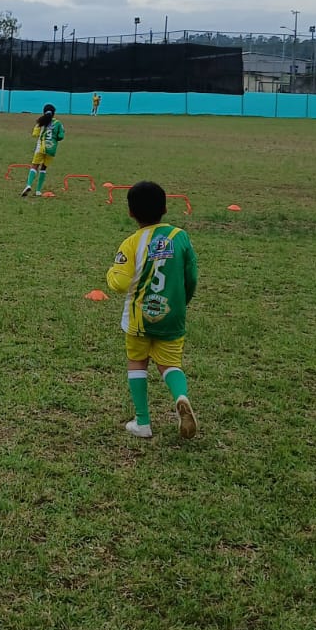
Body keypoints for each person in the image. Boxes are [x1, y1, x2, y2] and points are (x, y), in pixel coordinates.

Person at [106, 181, 198, 440]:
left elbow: (119, 283)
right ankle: (180, 396)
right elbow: (191, 276)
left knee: (137, 362)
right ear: (165, 208)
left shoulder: (131, 242)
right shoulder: (180, 236)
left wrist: (111, 273)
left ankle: (143, 422)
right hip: (172, 316)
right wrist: (183, 302)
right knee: (170, 364)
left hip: (139, 319)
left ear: (131, 212)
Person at [21, 103, 65, 197]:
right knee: (43, 168)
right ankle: (38, 191)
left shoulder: (41, 122)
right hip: (51, 149)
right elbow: (61, 136)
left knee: (34, 166)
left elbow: (35, 134)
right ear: (54, 113)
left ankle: (28, 185)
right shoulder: (58, 123)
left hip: (41, 147)